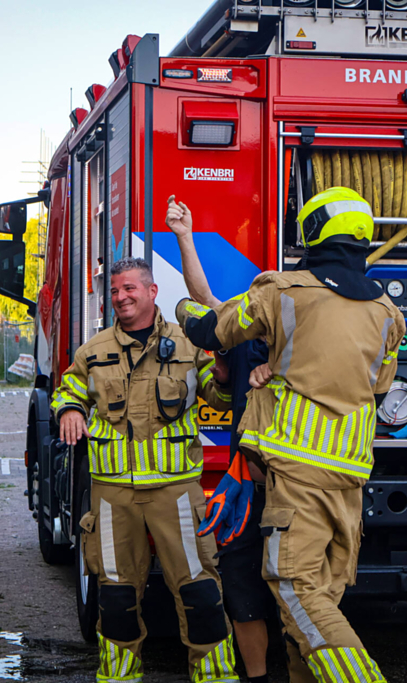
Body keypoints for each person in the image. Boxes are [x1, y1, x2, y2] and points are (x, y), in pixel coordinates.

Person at [177, 187, 405, 683]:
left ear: (312, 231)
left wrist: (184, 312)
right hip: (348, 480)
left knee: (299, 594)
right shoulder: (388, 314)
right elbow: (380, 386)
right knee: (310, 605)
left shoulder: (282, 290)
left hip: (296, 475)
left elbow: (211, 332)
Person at [51, 257, 239, 683]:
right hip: (113, 496)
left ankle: (215, 676)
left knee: (199, 591)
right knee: (115, 598)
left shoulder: (189, 346)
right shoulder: (94, 350)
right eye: (115, 291)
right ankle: (119, 677)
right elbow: (69, 390)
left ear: (152, 292)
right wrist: (68, 411)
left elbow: (220, 394)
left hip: (176, 493)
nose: (120, 297)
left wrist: (226, 368)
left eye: (129, 289)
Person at [166, 195, 277, 683]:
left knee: (278, 586)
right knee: (239, 580)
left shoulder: (303, 345)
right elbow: (205, 296)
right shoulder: (244, 334)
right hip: (245, 480)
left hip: (289, 482)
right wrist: (185, 237)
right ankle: (257, 677)